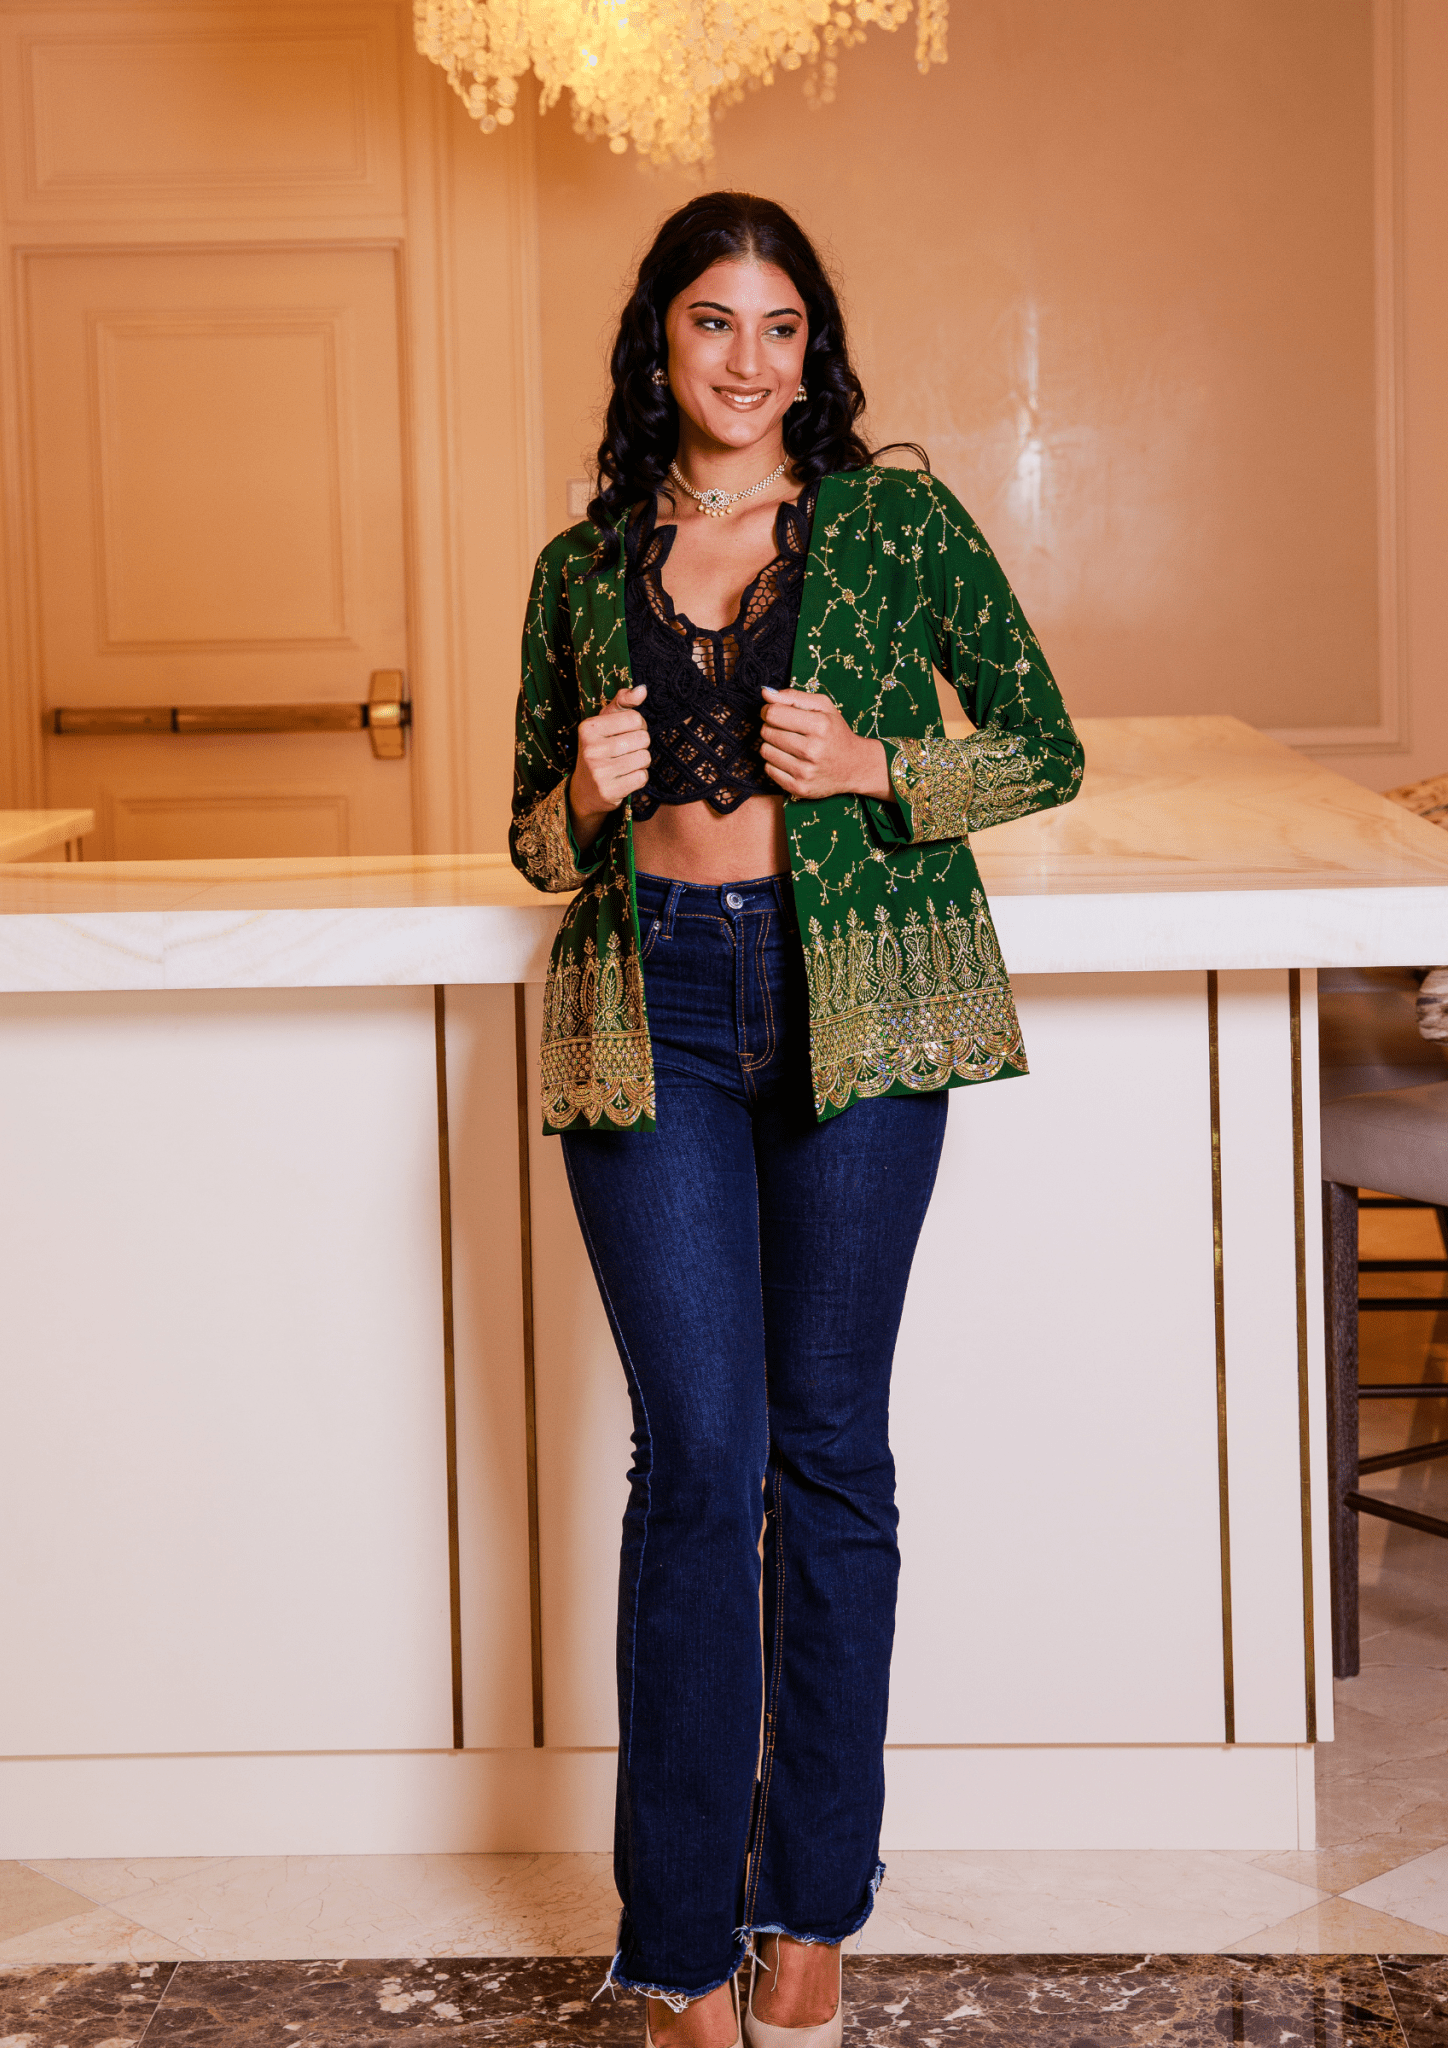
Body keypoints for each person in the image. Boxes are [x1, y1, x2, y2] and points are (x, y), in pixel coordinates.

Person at [509, 191, 1083, 2048]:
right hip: (650, 1004)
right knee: (699, 1464)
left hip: (863, 998)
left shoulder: (896, 522)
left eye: (778, 328)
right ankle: (680, 1942)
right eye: (710, 325)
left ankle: (812, 1915)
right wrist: (581, 809)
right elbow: (526, 834)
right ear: (657, 348)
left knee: (831, 1450)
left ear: (810, 350)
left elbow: (1048, 744)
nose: (747, 362)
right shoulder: (580, 566)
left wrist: (882, 765)